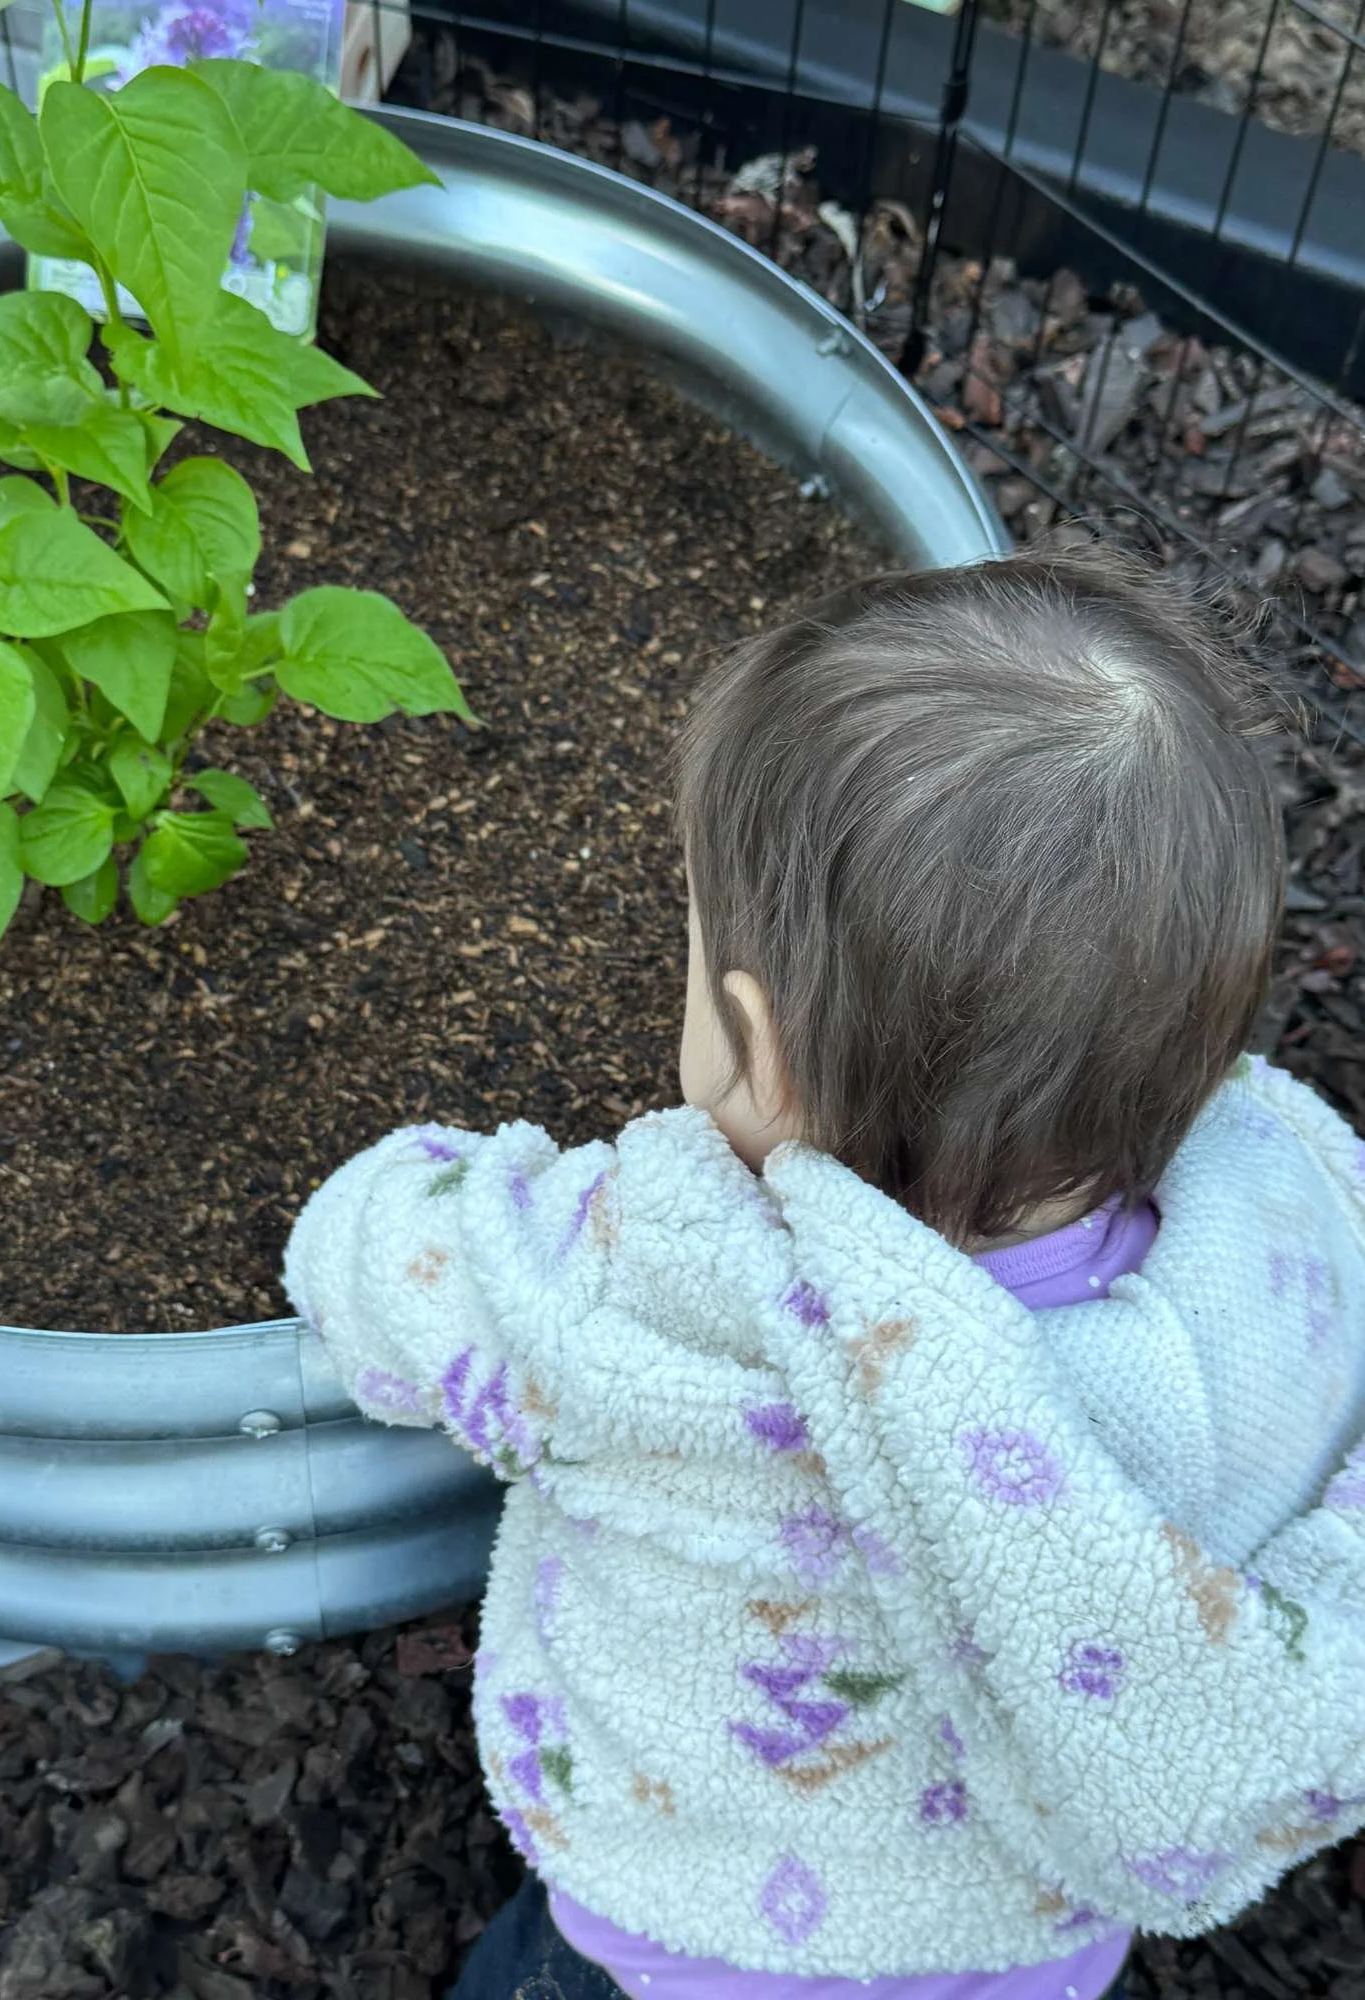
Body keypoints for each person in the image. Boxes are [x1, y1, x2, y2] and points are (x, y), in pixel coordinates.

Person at [285, 549, 1365, 2000]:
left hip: (668, 1932)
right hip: (1008, 1951)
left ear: (755, 1044)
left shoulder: (650, 1292)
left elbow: (378, 1246)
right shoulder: (1281, 1251)